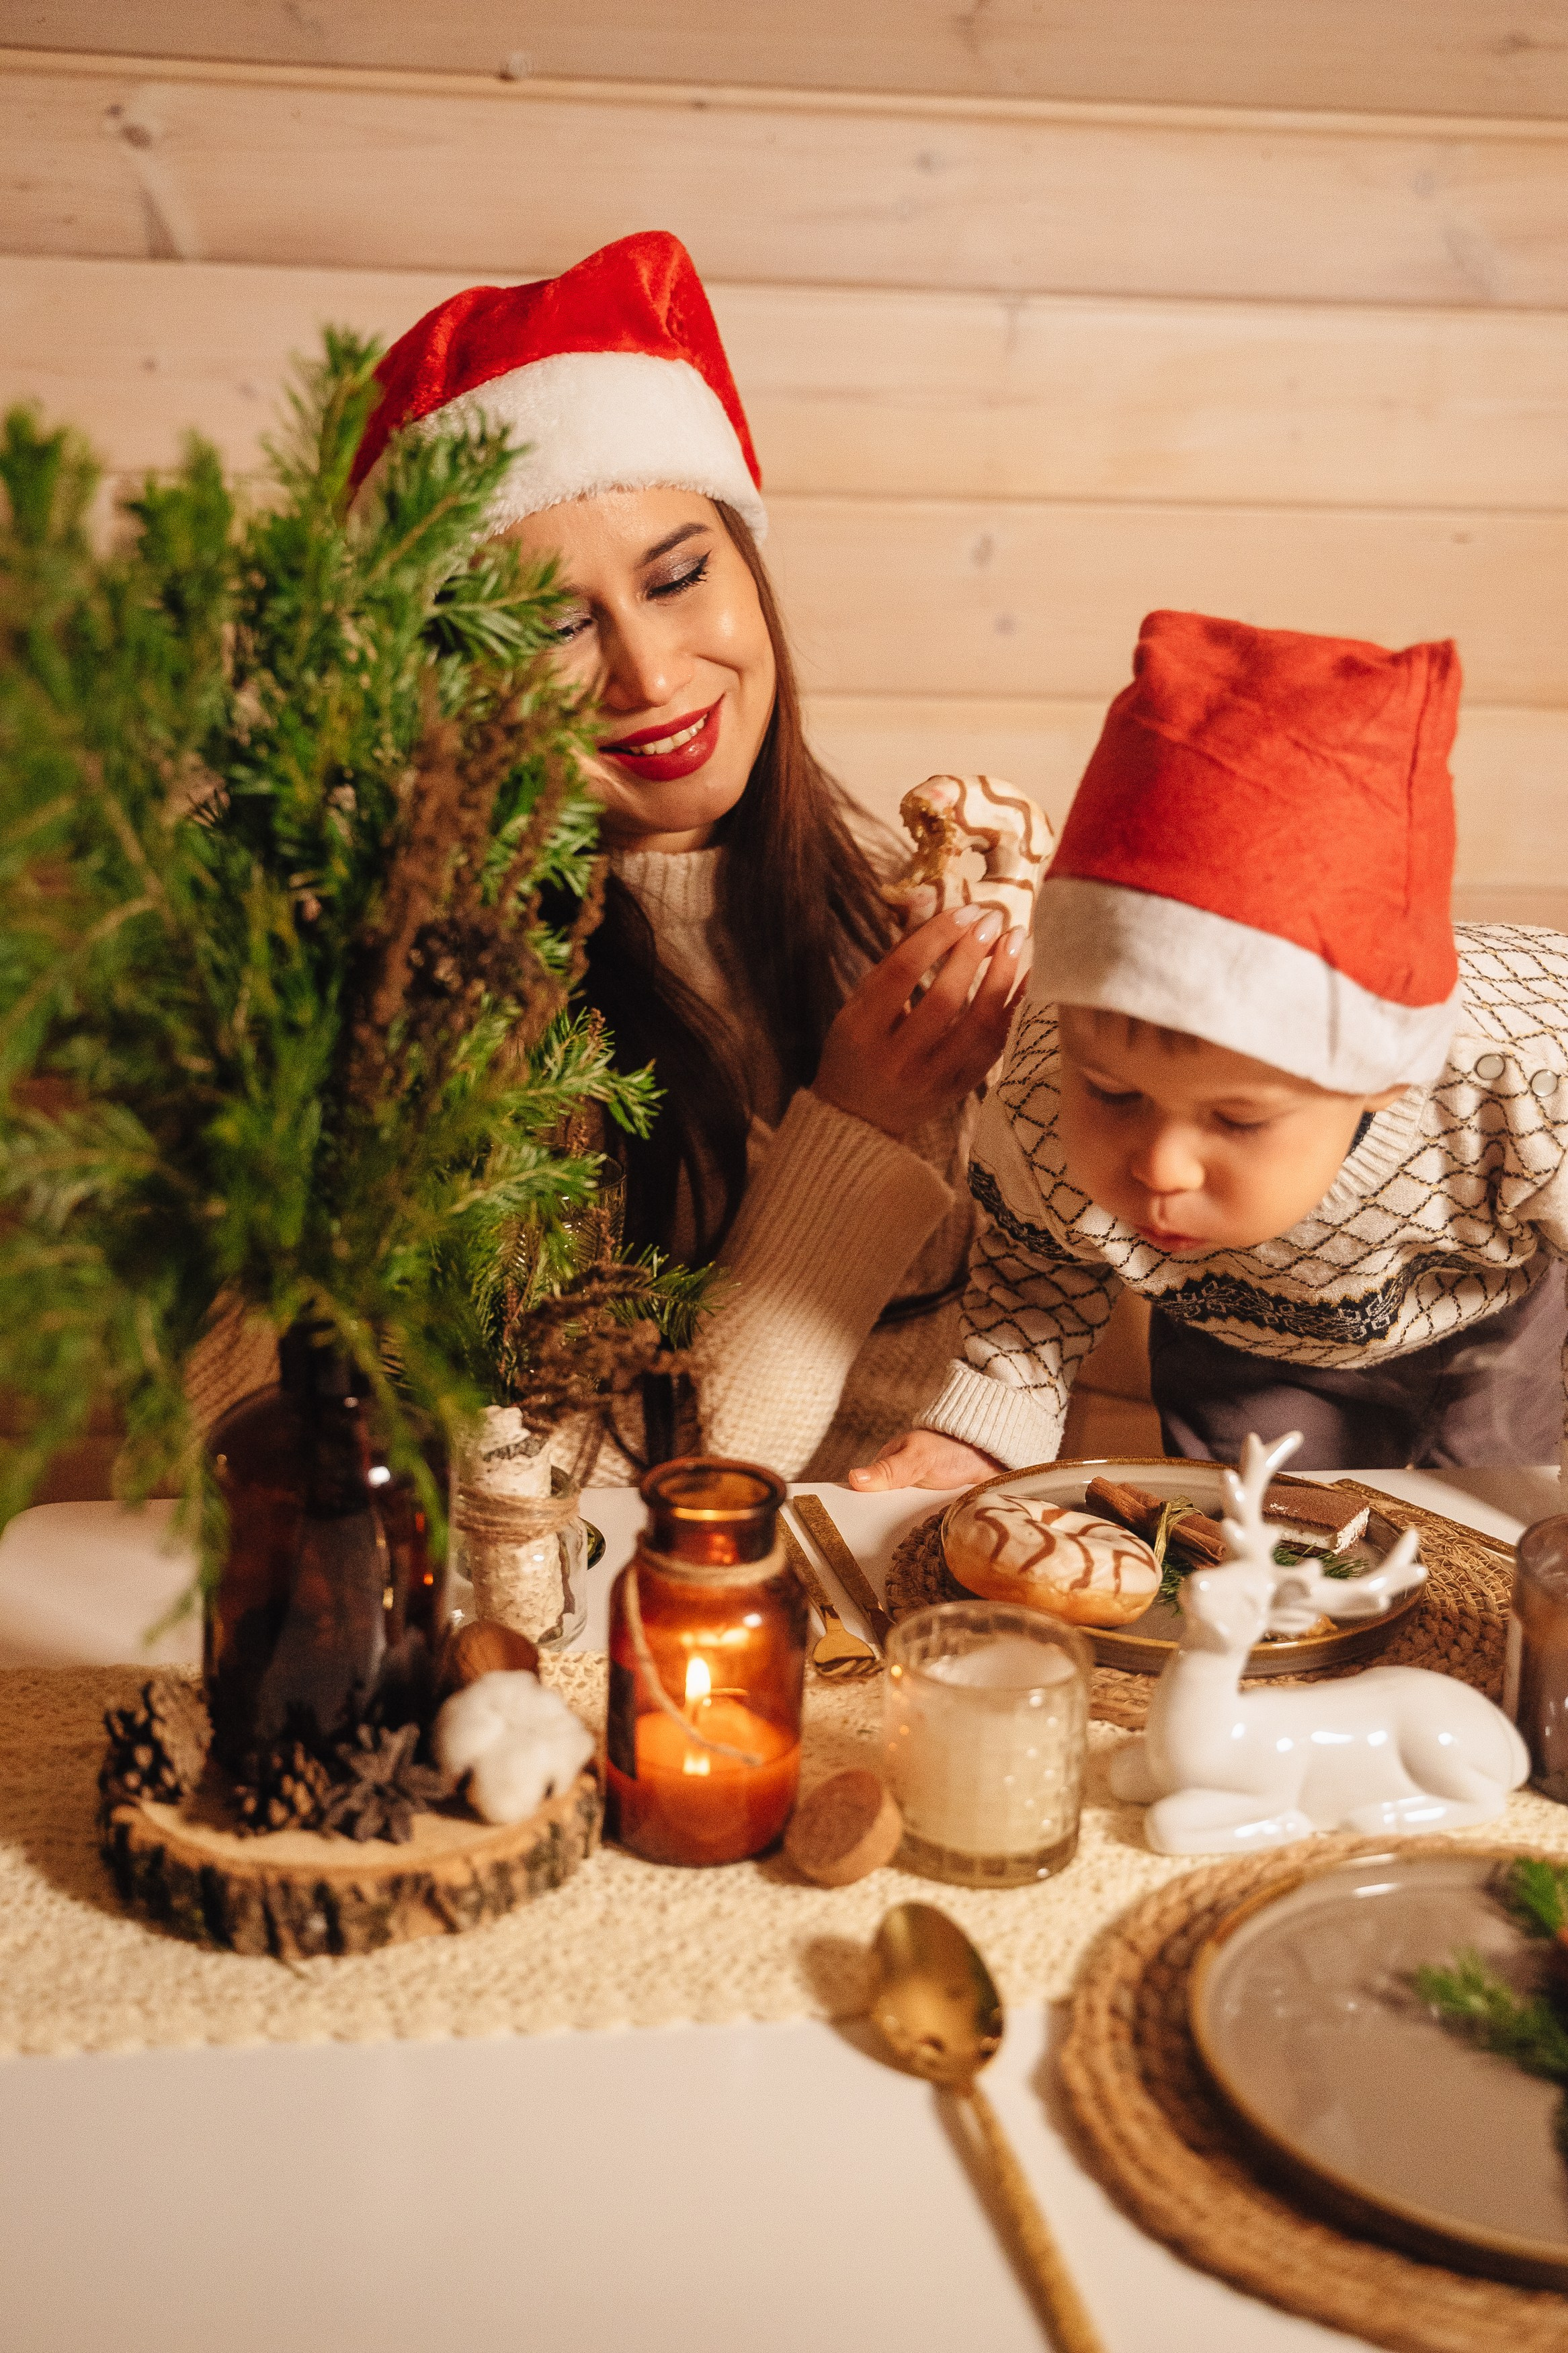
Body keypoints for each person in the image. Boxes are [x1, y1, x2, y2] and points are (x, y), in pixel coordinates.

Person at [343, 231, 1036, 1478]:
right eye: (552, 625)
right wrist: (864, 1126)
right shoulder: (455, 1019)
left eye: (676, 577)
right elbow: (574, 1499)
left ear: (747, 569)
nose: (649, 677)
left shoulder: (884, 902)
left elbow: (1034, 1299)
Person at [850, 608, 1568, 1492]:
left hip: (1492, 1313)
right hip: (1242, 1319)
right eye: (1113, 1094)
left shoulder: (1520, 1084)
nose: (1159, 1167)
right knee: (1256, 1539)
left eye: (1236, 1116)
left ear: (1384, 1076)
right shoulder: (1045, 1083)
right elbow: (1036, 1277)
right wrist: (984, 1437)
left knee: (1497, 1520)